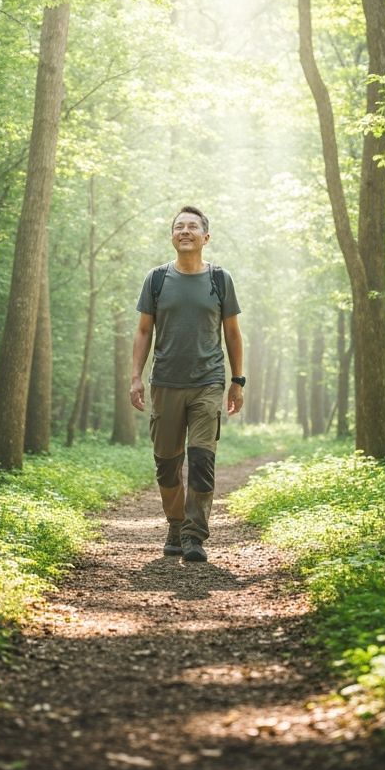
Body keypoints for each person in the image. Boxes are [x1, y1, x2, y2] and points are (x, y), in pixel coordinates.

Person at [130, 205, 244, 563]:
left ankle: (195, 535)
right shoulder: (157, 279)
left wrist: (237, 381)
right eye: (179, 226)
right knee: (166, 463)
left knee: (201, 460)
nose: (185, 231)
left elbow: (232, 333)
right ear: (172, 236)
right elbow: (144, 330)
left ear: (205, 237)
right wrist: (135, 376)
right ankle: (176, 524)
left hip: (208, 382)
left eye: (193, 227)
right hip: (165, 382)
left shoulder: (220, 279)